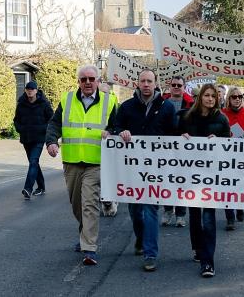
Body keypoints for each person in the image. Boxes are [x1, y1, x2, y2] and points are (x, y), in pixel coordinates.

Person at [45, 65, 117, 266]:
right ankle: (84, 233)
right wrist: (51, 141)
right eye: (83, 79)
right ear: (78, 81)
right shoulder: (67, 100)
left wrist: (111, 132)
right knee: (77, 204)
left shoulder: (109, 101)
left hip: (96, 162)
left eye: (91, 79)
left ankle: (89, 248)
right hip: (72, 161)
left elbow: (118, 125)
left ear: (97, 81)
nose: (87, 82)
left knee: (89, 204)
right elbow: (54, 124)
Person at [115, 69, 175, 271]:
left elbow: (174, 135)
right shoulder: (126, 107)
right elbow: (114, 127)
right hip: (132, 168)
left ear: (155, 83)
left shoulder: (167, 108)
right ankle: (140, 238)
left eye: (150, 81)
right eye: (143, 81)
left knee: (150, 208)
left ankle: (150, 254)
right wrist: (119, 131)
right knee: (134, 209)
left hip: (156, 169)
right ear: (138, 83)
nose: (146, 84)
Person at [179, 83, 230, 278]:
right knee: (194, 214)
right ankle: (198, 249)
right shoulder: (187, 117)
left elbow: (229, 144)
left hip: (212, 175)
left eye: (213, 96)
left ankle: (208, 261)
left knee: (208, 216)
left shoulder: (221, 119)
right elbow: (174, 139)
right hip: (191, 174)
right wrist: (181, 136)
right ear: (200, 97)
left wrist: (219, 140)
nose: (210, 99)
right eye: (207, 95)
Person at [161, 75, 193, 227]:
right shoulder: (161, 102)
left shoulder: (191, 103)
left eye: (179, 85)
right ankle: (168, 211)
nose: (176, 87)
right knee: (167, 180)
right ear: (169, 86)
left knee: (181, 181)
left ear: (184, 87)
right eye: (173, 84)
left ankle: (180, 214)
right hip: (166, 147)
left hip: (184, 149)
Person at [13, 81, 53, 200]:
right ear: (25, 90)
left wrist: (44, 130)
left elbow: (52, 120)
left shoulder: (44, 104)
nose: (30, 91)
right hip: (26, 138)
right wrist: (20, 129)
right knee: (33, 162)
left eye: (32, 89)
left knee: (33, 161)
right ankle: (41, 187)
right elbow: (16, 120)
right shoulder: (21, 104)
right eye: (28, 89)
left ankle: (28, 188)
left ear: (36, 91)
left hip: (39, 138)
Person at [221, 87, 244, 230]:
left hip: (243, 156)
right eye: (234, 96)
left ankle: (239, 205)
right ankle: (230, 218)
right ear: (228, 98)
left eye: (240, 96)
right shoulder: (222, 114)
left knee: (239, 185)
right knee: (227, 186)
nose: (237, 99)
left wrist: (236, 133)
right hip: (225, 156)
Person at [98, 79, 120, 217]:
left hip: (109, 145)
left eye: (106, 92)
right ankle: (106, 201)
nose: (103, 94)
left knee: (109, 175)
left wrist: (110, 132)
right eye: (101, 92)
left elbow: (116, 124)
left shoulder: (113, 103)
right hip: (94, 146)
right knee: (100, 177)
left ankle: (111, 201)